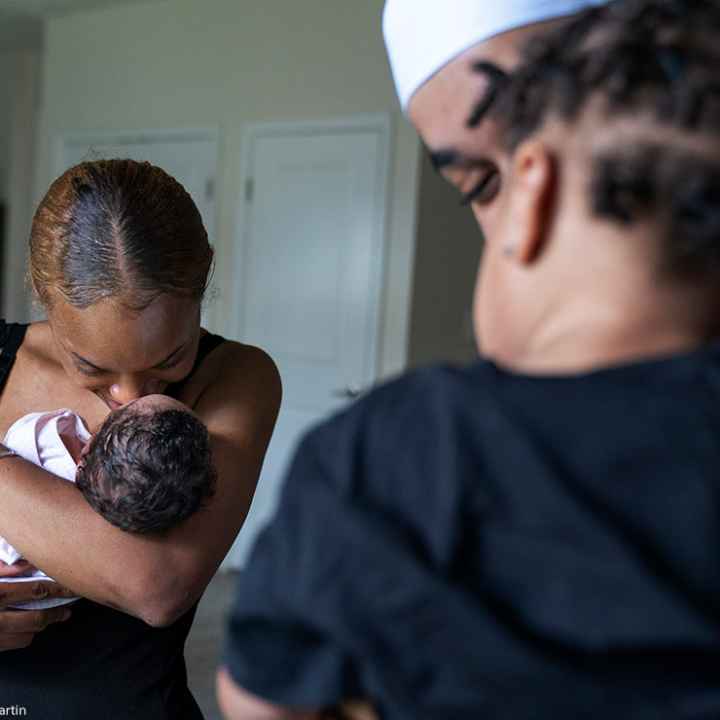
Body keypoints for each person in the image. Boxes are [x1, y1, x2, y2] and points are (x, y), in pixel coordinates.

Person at [218, 0, 720, 718]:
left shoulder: (387, 456)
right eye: (476, 187)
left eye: (508, 172)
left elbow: (257, 699)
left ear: (536, 185)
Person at [0, 159, 281, 719]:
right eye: (92, 366)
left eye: (169, 358)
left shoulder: (235, 377)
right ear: (41, 296)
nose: (129, 398)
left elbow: (155, 585)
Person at [0, 394, 217, 610]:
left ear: (88, 448)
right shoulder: (118, 541)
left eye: (118, 416)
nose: (127, 395)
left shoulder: (45, 440)